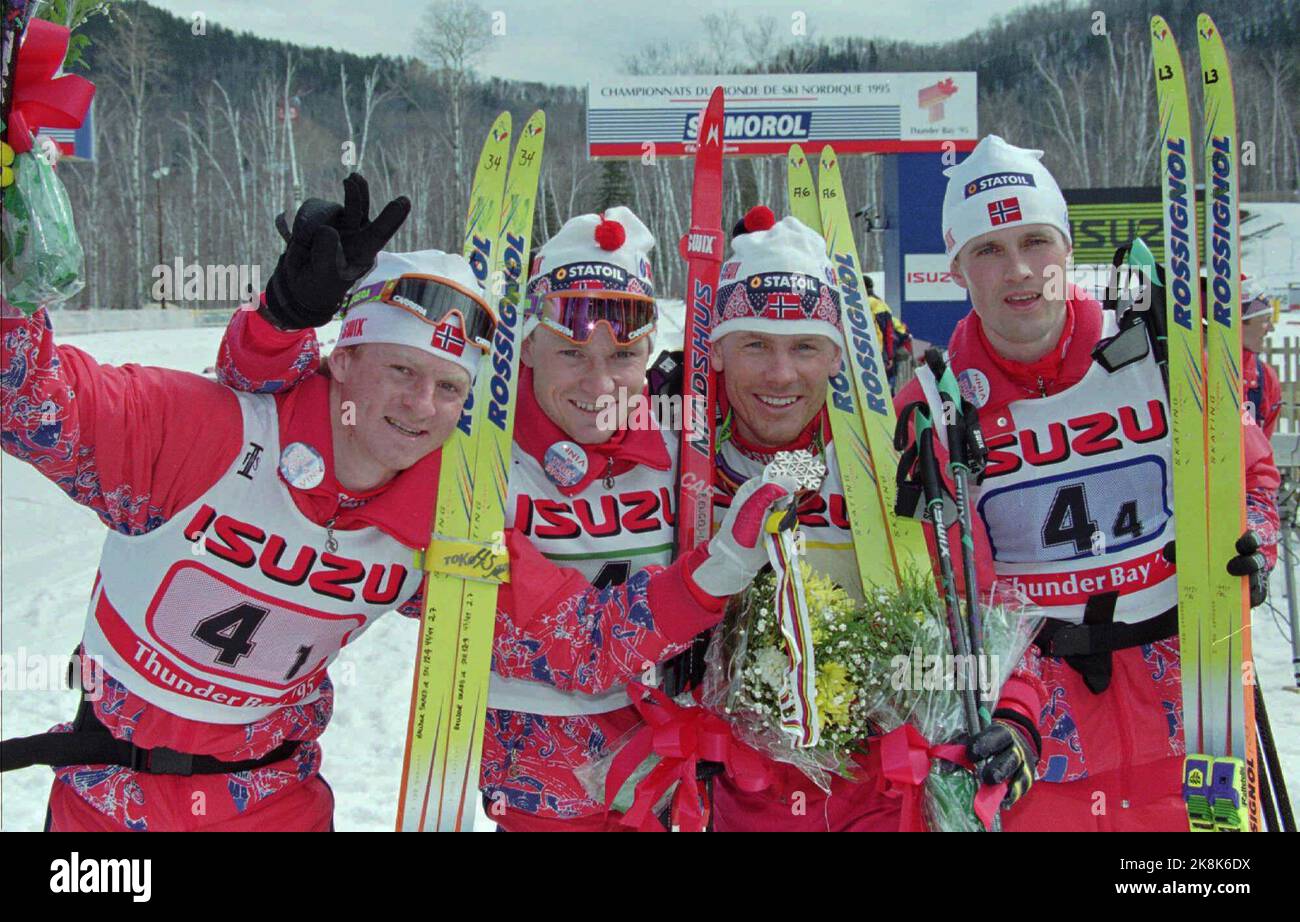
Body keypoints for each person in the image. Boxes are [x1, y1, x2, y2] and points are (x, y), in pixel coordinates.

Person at [214, 201, 794, 831]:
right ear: (527, 349)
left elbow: (790, 436)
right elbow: (291, 415)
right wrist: (279, 322)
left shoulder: (684, 445)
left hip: (673, 770)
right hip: (538, 786)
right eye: (571, 354)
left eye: (623, 357)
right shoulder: (464, 453)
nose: (600, 386)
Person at [0, 177, 487, 830]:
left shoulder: (444, 522)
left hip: (273, 807)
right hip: (109, 803)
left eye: (449, 387)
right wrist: (17, 232)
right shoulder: (204, 432)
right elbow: (28, 400)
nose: (421, 406)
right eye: (401, 371)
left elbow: (549, 623)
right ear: (342, 360)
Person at [897, 135, 1281, 831]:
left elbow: (1250, 472)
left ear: (1067, 247)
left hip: (1194, 712)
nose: (1019, 271)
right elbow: (959, 598)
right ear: (956, 267)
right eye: (987, 249)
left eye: (1036, 241)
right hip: (1046, 741)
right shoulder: (938, 405)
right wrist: (1010, 719)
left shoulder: (1159, 350)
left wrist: (1253, 542)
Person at [667, 205, 1047, 831]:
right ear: (718, 353)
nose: (781, 373)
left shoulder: (893, 462)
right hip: (737, 796)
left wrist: (1014, 718)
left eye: (807, 347)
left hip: (885, 795)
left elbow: (981, 609)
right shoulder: (682, 470)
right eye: (755, 344)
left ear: (839, 356)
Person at [1241, 291, 1281, 440]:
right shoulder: (1200, 371)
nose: (1271, 328)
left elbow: (1264, 449)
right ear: (1239, 324)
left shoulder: (1266, 377)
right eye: (1265, 320)